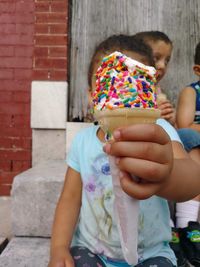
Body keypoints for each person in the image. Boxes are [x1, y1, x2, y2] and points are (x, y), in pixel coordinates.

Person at [48, 35, 200, 267]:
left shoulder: (160, 133)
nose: (122, 99)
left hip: (150, 253)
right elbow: (69, 199)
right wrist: (58, 248)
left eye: (134, 85)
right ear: (92, 96)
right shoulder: (83, 142)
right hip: (92, 250)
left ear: (150, 92)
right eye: (110, 85)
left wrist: (167, 174)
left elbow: (192, 180)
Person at [175, 41, 200, 267]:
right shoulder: (192, 92)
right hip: (195, 148)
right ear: (198, 70)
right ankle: (186, 227)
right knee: (191, 139)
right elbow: (185, 125)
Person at [134, 31, 176, 126]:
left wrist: (171, 117)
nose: (162, 66)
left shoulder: (158, 91)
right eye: (156, 58)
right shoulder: (129, 91)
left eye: (166, 61)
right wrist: (153, 116)